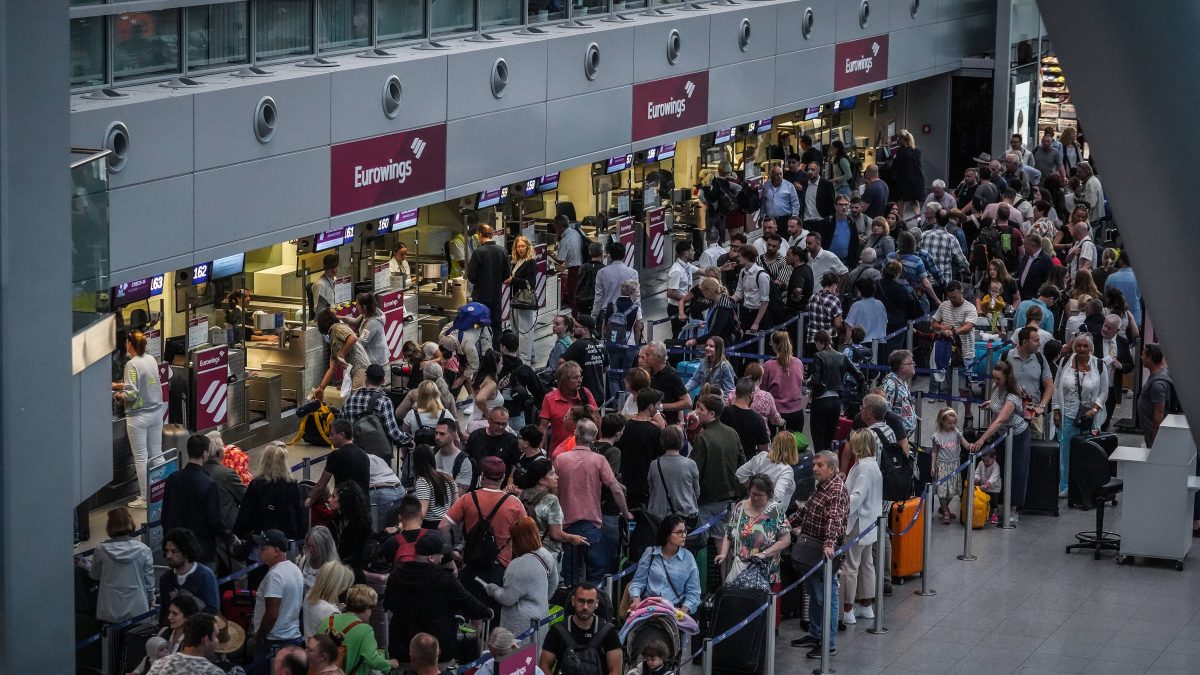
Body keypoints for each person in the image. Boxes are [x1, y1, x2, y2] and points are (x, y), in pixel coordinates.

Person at [385, 530, 492, 664]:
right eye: (440, 554)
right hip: (436, 653)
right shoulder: (444, 579)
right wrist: (487, 611)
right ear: (431, 558)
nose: (442, 557)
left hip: (403, 650)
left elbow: (388, 605)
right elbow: (470, 604)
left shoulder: (395, 576)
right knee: (469, 632)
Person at [554, 420, 633, 585]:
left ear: (576, 434)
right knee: (596, 575)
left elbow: (553, 490)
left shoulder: (560, 459)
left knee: (570, 577)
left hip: (566, 525)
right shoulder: (599, 460)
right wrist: (625, 512)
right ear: (594, 437)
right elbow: (616, 489)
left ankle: (572, 604)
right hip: (593, 524)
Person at [788, 451, 849, 658]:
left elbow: (834, 521)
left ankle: (828, 643)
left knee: (826, 597)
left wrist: (829, 545)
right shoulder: (821, 487)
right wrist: (788, 523)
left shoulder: (836, 491)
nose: (814, 468)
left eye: (820, 465)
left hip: (823, 554)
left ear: (832, 468)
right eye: (814, 464)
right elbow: (807, 510)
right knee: (814, 593)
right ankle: (815, 633)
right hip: (811, 552)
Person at [441, 456, 526, 594]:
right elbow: (526, 538)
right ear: (503, 477)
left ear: (481, 476)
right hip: (501, 567)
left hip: (471, 563)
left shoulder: (467, 498)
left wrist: (450, 553)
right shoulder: (514, 503)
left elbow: (443, 527)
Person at [969, 361, 1031, 524]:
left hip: (1017, 436)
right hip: (1003, 434)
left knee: (1016, 471)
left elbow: (1000, 420)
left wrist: (982, 439)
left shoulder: (1012, 396)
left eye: (998, 379)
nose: (995, 382)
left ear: (1007, 379)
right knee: (998, 468)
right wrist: (990, 404)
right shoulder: (997, 389)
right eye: (994, 378)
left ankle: (1013, 510)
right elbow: (997, 406)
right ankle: (995, 505)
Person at [162, 435, 236, 568]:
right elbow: (215, 519)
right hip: (202, 550)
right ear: (205, 453)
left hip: (178, 547)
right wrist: (229, 537)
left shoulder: (172, 479)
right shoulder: (208, 483)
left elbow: (165, 515)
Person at [690, 394, 744, 570]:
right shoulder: (733, 433)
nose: (697, 412)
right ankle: (725, 586)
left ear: (712, 413)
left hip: (706, 500)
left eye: (701, 409)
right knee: (723, 546)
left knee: (701, 544)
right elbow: (742, 464)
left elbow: (695, 471)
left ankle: (701, 589)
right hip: (728, 499)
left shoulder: (703, 438)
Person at [112, 330, 164, 508]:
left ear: (130, 344)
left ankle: (145, 498)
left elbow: (132, 393)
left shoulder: (131, 364)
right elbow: (144, 381)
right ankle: (161, 493)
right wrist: (120, 384)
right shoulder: (150, 359)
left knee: (141, 458)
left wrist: (119, 395)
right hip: (157, 412)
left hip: (138, 416)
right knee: (157, 454)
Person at [484, 516, 558, 637]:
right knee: (536, 654)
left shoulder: (518, 564)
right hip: (541, 617)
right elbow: (553, 583)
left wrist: (493, 590)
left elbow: (508, 598)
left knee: (519, 656)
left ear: (517, 539)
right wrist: (541, 600)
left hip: (520, 625)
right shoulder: (546, 555)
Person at [1053, 334, 1109, 493]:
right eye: (1079, 346)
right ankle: (1065, 486)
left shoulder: (1099, 365)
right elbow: (1056, 387)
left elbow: (1104, 391)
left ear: (1090, 348)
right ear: (1074, 347)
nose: (1082, 349)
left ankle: (1085, 487)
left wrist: (1094, 409)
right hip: (1068, 415)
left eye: (1085, 346)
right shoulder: (1065, 362)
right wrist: (1056, 409)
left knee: (1088, 453)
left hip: (1088, 417)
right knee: (1066, 453)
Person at [715, 473, 792, 587]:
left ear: (768, 495)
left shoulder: (776, 512)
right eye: (753, 494)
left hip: (765, 571)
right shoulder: (740, 507)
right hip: (740, 568)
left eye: (760, 495)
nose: (755, 498)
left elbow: (785, 540)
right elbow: (729, 532)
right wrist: (723, 553)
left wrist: (764, 554)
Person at [840, 429, 882, 624]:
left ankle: (847, 608)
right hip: (871, 520)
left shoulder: (863, 468)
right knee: (867, 564)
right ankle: (866, 605)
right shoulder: (873, 465)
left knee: (851, 566)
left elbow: (857, 496)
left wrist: (840, 508)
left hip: (858, 522)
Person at [250, 529, 306, 675]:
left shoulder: (275, 575)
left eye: (263, 548)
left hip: (273, 642)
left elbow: (271, 614)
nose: (259, 551)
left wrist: (258, 637)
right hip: (293, 638)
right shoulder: (295, 569)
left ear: (276, 550)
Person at [89, 507, 155, 625]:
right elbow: (149, 582)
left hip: (109, 608)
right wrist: (150, 599)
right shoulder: (144, 550)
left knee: (110, 642)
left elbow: (94, 575)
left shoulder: (101, 550)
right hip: (138, 608)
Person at [539, 583, 622, 675]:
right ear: (573, 601)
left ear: (596, 604)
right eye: (581, 601)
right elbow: (543, 667)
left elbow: (615, 671)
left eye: (590, 602)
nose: (585, 607)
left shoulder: (609, 632)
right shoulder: (557, 630)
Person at [318, 584, 399, 675]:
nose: (371, 614)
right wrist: (390, 664)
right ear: (366, 609)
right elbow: (373, 660)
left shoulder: (328, 620)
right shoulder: (365, 630)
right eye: (371, 609)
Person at [629, 514, 702, 613]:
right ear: (667, 535)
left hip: (674, 610)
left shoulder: (688, 558)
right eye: (679, 532)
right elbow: (638, 582)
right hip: (648, 607)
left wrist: (682, 612)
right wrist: (636, 600)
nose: (684, 535)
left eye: (684, 531)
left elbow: (693, 593)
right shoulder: (650, 553)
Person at [808, 330, 864, 452]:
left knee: (818, 442)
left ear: (819, 342)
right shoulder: (842, 356)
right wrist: (859, 393)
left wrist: (809, 383)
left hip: (820, 402)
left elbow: (816, 380)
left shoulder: (819, 356)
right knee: (829, 442)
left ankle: (819, 468)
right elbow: (860, 376)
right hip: (835, 403)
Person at [157, 528, 220, 626]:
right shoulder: (165, 579)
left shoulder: (205, 576)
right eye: (166, 550)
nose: (168, 555)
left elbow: (212, 612)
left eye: (174, 551)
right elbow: (164, 613)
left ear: (186, 551)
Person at [617, 388, 665, 509]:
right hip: (646, 485)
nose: (660, 407)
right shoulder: (655, 431)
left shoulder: (624, 427)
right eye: (658, 404)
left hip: (626, 481)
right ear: (651, 407)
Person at [305, 419, 370, 508]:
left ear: (342, 435)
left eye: (332, 434)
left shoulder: (336, 455)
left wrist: (310, 500)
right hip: (364, 506)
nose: (329, 438)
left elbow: (321, 485)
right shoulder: (363, 454)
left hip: (346, 506)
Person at [1005, 326, 1055, 439]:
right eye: (1036, 340)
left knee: (1034, 451)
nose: (1039, 343)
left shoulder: (1040, 358)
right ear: (1024, 342)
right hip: (1011, 413)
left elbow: (1049, 386)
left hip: (1034, 415)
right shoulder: (1007, 356)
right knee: (1009, 449)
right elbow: (997, 382)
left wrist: (1041, 406)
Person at [467, 224, 510, 348]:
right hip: (496, 296)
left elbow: (472, 277)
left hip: (480, 298)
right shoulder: (502, 250)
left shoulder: (478, 252)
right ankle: (497, 354)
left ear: (480, 235)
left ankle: (482, 354)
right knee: (497, 326)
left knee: (479, 326)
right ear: (492, 234)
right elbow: (506, 275)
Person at [646, 425, 700, 523]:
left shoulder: (654, 464)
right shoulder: (690, 464)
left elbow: (651, 488)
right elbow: (696, 491)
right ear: (681, 441)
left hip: (659, 515)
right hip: (685, 514)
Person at [540, 362, 599, 451]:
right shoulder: (549, 398)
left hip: (584, 452)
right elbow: (543, 427)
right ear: (564, 380)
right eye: (575, 377)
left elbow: (597, 420)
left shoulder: (585, 394)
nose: (580, 380)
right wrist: (539, 451)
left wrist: (600, 444)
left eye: (580, 377)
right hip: (558, 452)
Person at [313, 309, 372, 398]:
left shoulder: (337, 328)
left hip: (360, 368)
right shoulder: (332, 338)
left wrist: (341, 353)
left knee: (358, 399)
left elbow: (353, 338)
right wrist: (321, 388)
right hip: (355, 371)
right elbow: (332, 369)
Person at [736, 431, 799, 511]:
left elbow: (740, 473)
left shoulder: (761, 457)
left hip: (752, 508)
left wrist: (752, 490)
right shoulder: (786, 471)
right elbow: (777, 497)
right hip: (770, 517)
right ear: (793, 449)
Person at [1092, 314, 1134, 431]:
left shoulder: (1122, 342)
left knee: (1106, 420)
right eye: (1105, 325)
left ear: (1117, 330)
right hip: (1095, 387)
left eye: (1109, 328)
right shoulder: (1093, 339)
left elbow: (1130, 365)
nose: (1104, 329)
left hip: (1112, 389)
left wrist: (1121, 366)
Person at [147, 612, 225, 675]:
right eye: (216, 636)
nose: (217, 641)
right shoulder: (213, 672)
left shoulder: (159, 665)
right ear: (206, 640)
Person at [761, 331, 806, 432]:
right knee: (795, 446)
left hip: (776, 413)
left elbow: (763, 391)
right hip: (797, 412)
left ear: (775, 345)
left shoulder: (768, 365)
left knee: (776, 446)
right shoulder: (799, 363)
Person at [928, 408, 968, 523]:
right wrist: (932, 465)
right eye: (949, 423)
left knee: (951, 490)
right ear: (942, 421)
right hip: (942, 467)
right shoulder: (937, 436)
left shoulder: (956, 433)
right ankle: (946, 511)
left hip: (954, 466)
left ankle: (944, 507)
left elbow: (965, 444)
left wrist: (972, 446)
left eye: (954, 422)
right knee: (942, 490)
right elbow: (934, 451)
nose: (952, 425)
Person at [638, 342, 691, 426]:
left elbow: (687, 402)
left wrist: (660, 407)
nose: (645, 359)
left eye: (648, 355)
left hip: (667, 426)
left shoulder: (672, 375)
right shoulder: (649, 373)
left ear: (658, 357)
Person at [506, 235, 539, 362]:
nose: (520, 249)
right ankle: (531, 355)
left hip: (524, 300)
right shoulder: (516, 261)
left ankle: (525, 359)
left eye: (523, 246)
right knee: (517, 328)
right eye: (518, 246)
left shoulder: (530, 262)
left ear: (528, 247)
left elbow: (530, 282)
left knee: (524, 330)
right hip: (516, 299)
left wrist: (513, 280)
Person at [722, 377, 772, 460]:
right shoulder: (758, 420)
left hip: (725, 461)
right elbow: (763, 452)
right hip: (747, 465)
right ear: (751, 395)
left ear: (736, 393)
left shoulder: (723, 412)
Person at [327, 482, 372, 571]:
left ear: (344, 500)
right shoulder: (333, 521)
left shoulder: (361, 525)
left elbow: (357, 556)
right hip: (334, 568)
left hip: (351, 572)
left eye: (333, 497)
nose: (329, 499)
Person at [302, 561, 354, 638]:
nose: (344, 589)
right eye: (343, 586)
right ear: (336, 586)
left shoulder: (309, 596)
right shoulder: (330, 611)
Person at [592, 240, 639, 322]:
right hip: (627, 312)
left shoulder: (602, 273)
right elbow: (636, 298)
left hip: (606, 313)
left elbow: (598, 299)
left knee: (605, 334)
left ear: (610, 255)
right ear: (624, 255)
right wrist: (639, 318)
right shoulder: (633, 273)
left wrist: (594, 317)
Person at [410, 445, 456, 529]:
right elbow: (456, 503)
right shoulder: (448, 477)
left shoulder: (422, 481)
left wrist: (403, 525)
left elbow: (422, 512)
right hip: (447, 525)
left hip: (430, 527)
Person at [1138, 344, 1175, 448]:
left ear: (1150, 358)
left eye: (1143, 354)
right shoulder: (1162, 371)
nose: (1141, 357)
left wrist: (1155, 438)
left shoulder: (1157, 384)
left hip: (1153, 432)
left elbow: (1159, 412)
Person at [475, 628, 547, 675]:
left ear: (513, 647)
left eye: (501, 654)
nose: (497, 659)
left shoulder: (530, 667)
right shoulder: (488, 666)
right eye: (493, 655)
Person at [297, 526, 341, 596]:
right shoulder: (304, 561)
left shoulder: (333, 569)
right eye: (308, 546)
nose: (310, 550)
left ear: (323, 546)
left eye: (313, 547)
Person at [1103, 250, 1141, 326]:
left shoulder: (1111, 278)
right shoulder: (1139, 278)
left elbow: (1105, 298)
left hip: (1114, 320)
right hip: (1135, 319)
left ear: (1120, 261)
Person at [891, 130, 926, 212]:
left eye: (898, 139)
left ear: (903, 139)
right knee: (914, 201)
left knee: (901, 201)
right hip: (917, 181)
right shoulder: (916, 151)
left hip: (905, 182)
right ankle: (918, 220)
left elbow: (895, 166)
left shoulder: (901, 152)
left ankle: (900, 221)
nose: (897, 142)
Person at [845, 277, 887, 342]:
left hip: (862, 345)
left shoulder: (857, 305)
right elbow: (885, 323)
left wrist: (846, 343)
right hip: (880, 343)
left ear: (859, 291)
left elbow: (850, 328)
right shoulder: (880, 304)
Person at [575, 242, 605, 321]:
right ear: (602, 253)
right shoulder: (604, 270)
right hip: (597, 305)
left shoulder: (583, 267)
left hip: (582, 304)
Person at [311, 254, 339, 318]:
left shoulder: (335, 279)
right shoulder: (320, 285)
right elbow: (319, 310)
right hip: (326, 319)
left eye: (335, 267)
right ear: (325, 269)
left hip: (336, 314)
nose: (334, 270)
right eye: (331, 268)